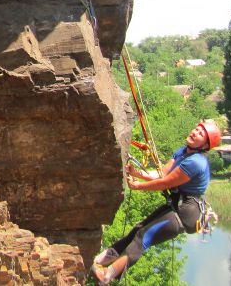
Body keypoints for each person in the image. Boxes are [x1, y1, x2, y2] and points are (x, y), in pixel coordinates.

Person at [92, 119, 222, 284]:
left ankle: (107, 275)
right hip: (175, 207)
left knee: (143, 237)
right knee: (137, 229)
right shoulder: (184, 152)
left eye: (201, 133)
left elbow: (166, 183)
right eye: (196, 129)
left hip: (183, 215)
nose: (195, 132)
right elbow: (162, 174)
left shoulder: (196, 162)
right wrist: (137, 173)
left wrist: (139, 186)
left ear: (205, 145)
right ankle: (99, 261)